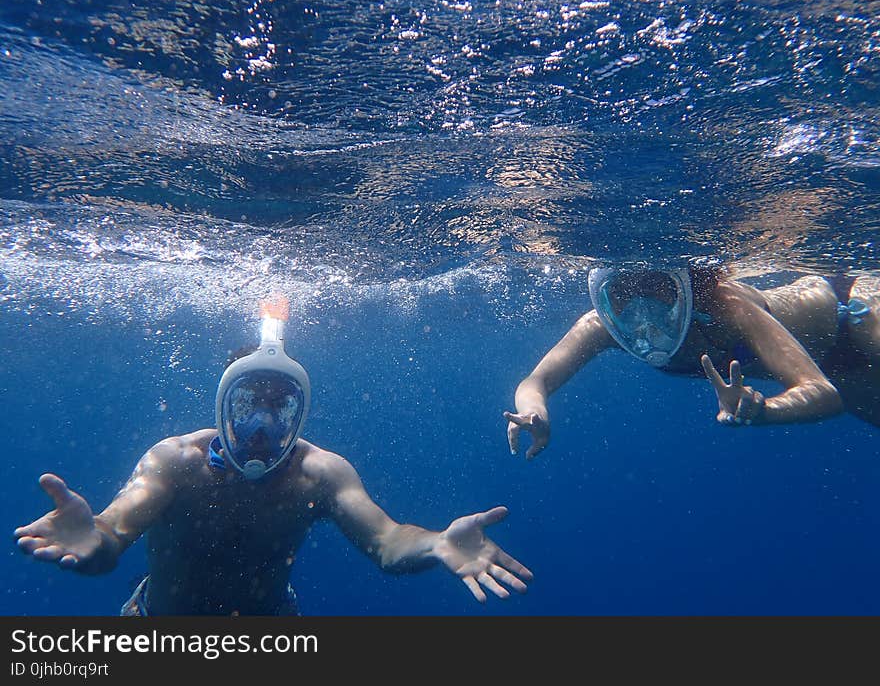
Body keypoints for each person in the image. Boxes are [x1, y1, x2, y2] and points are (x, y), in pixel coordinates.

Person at [15, 299, 533, 615]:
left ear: (300, 413)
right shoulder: (175, 463)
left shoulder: (319, 475)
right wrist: (93, 541)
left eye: (279, 409)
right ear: (221, 407)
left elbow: (389, 542)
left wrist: (438, 544)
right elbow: (111, 536)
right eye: (247, 408)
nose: (262, 430)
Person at [504, 262, 880, 459]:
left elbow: (819, 393)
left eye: (656, 290)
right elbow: (535, 382)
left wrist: (765, 410)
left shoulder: (729, 308)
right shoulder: (601, 326)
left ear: (685, 287)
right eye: (623, 297)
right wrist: (535, 412)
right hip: (841, 367)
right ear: (605, 299)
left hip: (859, 315)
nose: (643, 315)